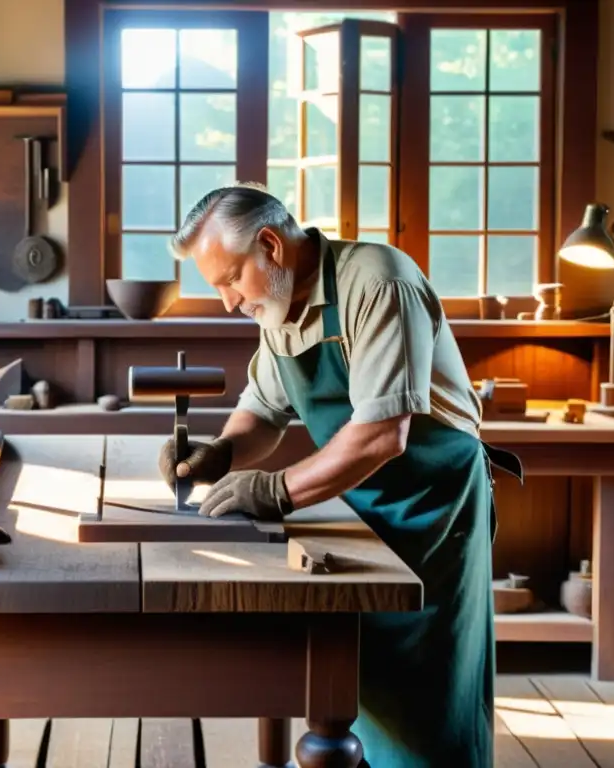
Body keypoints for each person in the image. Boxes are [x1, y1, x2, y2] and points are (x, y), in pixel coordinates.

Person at [158, 183, 522, 768]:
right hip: (359, 500)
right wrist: (222, 452)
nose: (227, 301)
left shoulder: (378, 282)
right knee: (356, 686)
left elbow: (382, 434)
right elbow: (264, 410)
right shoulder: (276, 301)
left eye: (229, 280)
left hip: (432, 506)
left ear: (271, 246)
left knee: (429, 701)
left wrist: (276, 490)